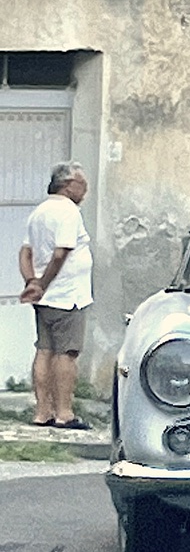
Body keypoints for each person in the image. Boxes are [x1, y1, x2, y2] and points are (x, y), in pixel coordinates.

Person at [18, 161, 93, 430]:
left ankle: (42, 412)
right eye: (82, 184)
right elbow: (61, 253)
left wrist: (32, 281)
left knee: (44, 350)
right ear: (68, 185)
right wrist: (42, 284)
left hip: (46, 300)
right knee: (66, 353)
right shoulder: (68, 212)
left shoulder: (39, 212)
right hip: (67, 296)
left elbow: (25, 252)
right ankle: (64, 413)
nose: (85, 190)